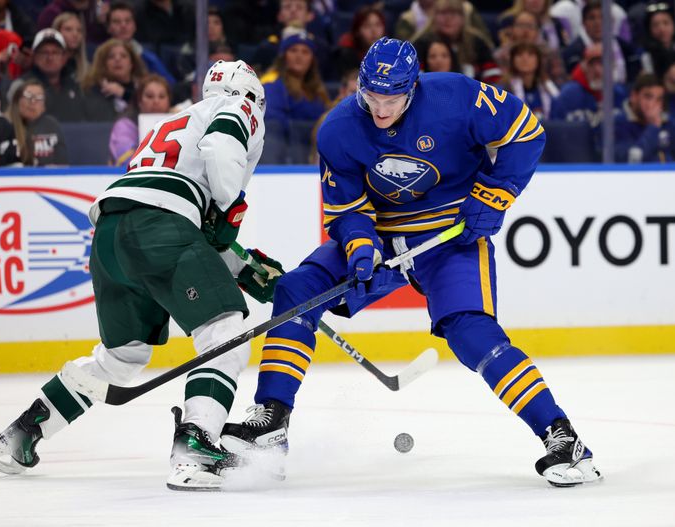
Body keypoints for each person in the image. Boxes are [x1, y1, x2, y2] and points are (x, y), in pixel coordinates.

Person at [221, 37, 603, 488]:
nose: (381, 111)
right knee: (296, 290)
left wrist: (496, 194)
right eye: (372, 98)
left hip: (452, 237)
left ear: (414, 88)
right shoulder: (338, 128)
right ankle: (272, 424)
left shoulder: (457, 97)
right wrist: (362, 249)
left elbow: (526, 131)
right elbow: (346, 211)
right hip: (383, 237)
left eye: (392, 100)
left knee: (471, 332)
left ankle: (562, 438)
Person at [0, 60, 282, 491]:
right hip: (158, 227)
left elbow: (187, 221)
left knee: (122, 357)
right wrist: (231, 202)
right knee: (224, 327)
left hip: (111, 233)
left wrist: (244, 264)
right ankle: (196, 445)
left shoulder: (179, 120)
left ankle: (20, 434)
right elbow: (217, 159)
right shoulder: (238, 107)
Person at [614, 73, 675, 163]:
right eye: (648, 97)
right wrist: (653, 127)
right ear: (633, 97)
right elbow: (633, 158)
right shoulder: (618, 123)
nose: (652, 104)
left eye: (659, 99)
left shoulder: (667, 123)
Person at [108, 73, 172, 166]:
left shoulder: (180, 123)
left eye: (161, 96)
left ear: (169, 102)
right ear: (139, 101)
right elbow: (127, 162)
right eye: (150, 96)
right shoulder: (124, 126)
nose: (156, 101)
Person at [81, 38, 147, 122]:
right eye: (111, 57)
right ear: (104, 64)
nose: (117, 59)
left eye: (123, 56)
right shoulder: (93, 89)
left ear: (131, 63)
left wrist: (124, 94)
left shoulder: (143, 88)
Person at [7, 78, 68, 165]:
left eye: (39, 98)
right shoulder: (6, 126)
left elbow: (63, 165)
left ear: (44, 106)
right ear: (17, 100)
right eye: (28, 96)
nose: (33, 101)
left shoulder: (52, 126)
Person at [52, 12, 89, 82]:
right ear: (57, 32)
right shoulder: (47, 65)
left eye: (79, 30)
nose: (75, 34)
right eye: (68, 29)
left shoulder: (87, 69)